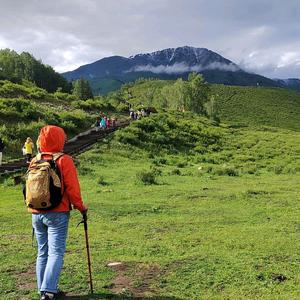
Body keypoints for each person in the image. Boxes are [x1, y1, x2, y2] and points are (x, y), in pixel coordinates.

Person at [28, 125, 87, 300]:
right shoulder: (64, 160)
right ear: (59, 139)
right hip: (58, 213)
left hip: (36, 212)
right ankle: (48, 292)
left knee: (42, 251)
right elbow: (72, 189)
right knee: (56, 252)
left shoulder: (35, 159)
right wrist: (81, 207)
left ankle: (44, 289)